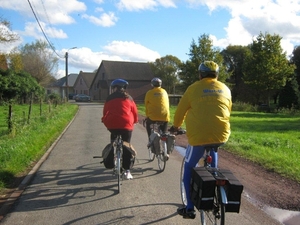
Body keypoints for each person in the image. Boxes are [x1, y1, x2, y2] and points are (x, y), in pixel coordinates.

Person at [170, 61, 232, 219]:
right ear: (216, 75)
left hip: (198, 137)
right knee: (213, 157)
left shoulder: (193, 88)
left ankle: (189, 207)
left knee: (189, 167)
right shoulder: (225, 88)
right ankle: (214, 176)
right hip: (221, 134)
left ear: (200, 74)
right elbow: (228, 109)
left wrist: (176, 127)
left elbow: (180, 112)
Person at [102, 79, 138, 180]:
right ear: (124, 88)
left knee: (113, 139)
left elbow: (105, 112)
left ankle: (112, 157)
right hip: (127, 125)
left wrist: (104, 120)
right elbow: (134, 112)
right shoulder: (129, 98)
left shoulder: (109, 98)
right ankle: (127, 171)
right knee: (127, 145)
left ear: (114, 88)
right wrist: (135, 121)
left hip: (112, 125)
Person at [144, 77, 170, 155]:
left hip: (153, 117)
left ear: (152, 85)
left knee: (148, 124)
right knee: (164, 132)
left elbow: (146, 104)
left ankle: (150, 140)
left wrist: (147, 116)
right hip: (165, 116)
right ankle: (166, 147)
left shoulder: (149, 93)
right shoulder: (164, 91)